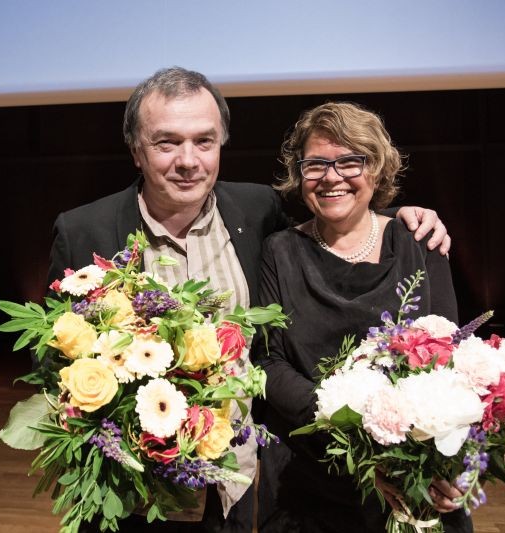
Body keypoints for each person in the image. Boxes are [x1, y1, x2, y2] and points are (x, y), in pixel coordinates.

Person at [48, 67, 452, 533]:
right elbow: (55, 370)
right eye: (166, 143)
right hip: (137, 496)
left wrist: (399, 216)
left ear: (221, 143)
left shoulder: (257, 211)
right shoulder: (83, 232)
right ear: (136, 150)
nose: (188, 160)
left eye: (204, 141)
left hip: (237, 486)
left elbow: (336, 205)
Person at [253, 102, 472, 532]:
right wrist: (355, 434)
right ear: (300, 176)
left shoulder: (419, 239)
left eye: (350, 161)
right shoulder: (279, 251)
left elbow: (451, 358)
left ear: (377, 168)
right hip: (310, 474)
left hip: (413, 473)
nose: (332, 177)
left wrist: (442, 459)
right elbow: (268, 363)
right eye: (316, 164)